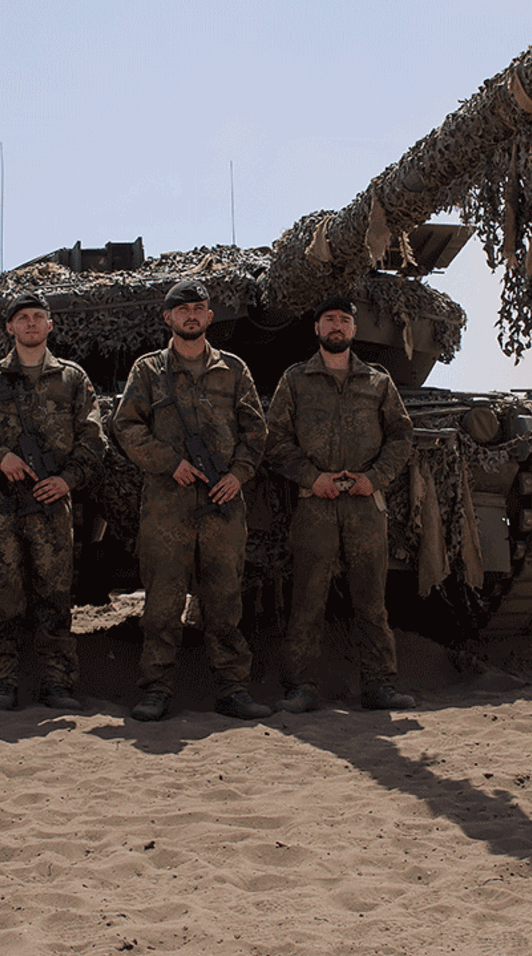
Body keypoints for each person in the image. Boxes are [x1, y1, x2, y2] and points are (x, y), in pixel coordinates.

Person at [111, 281, 269, 722]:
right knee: (162, 601)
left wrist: (238, 475)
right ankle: (155, 688)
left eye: (200, 309)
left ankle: (233, 688)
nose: (192, 316)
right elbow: (126, 426)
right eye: (183, 310)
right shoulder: (148, 371)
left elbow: (255, 431)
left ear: (210, 317)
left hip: (223, 502)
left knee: (224, 600)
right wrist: (168, 462)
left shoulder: (233, 370)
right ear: (168, 318)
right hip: (168, 502)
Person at [264, 295, 417, 712]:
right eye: (328, 319)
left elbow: (402, 437)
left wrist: (375, 478)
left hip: (366, 504)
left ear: (353, 330)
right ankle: (301, 686)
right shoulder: (295, 380)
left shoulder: (377, 382)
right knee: (308, 599)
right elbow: (274, 441)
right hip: (315, 501)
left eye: (344, 320)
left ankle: (379, 685)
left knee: (371, 600)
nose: (336, 326)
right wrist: (313, 478)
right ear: (316, 328)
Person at [0, 291, 105, 712]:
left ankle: (56, 682)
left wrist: (65, 480)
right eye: (23, 318)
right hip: (2, 506)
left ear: (50, 325)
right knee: (3, 599)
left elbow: (94, 441)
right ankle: (2, 681)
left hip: (51, 505)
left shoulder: (73, 379)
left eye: (39, 317)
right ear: (9, 327)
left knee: (55, 598)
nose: (31, 324)